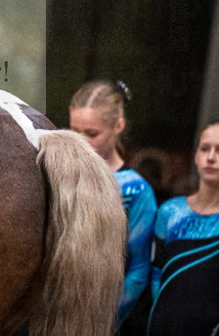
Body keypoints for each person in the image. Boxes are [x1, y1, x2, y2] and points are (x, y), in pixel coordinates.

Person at [148, 120, 219, 336]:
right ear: (196, 156)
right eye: (205, 149)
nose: (211, 157)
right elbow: (156, 277)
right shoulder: (170, 212)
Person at [69, 80, 157, 332]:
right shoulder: (63, 175)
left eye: (92, 134)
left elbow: (139, 270)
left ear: (118, 126)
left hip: (103, 318)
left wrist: (101, 319)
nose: (81, 142)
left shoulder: (135, 190)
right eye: (74, 131)